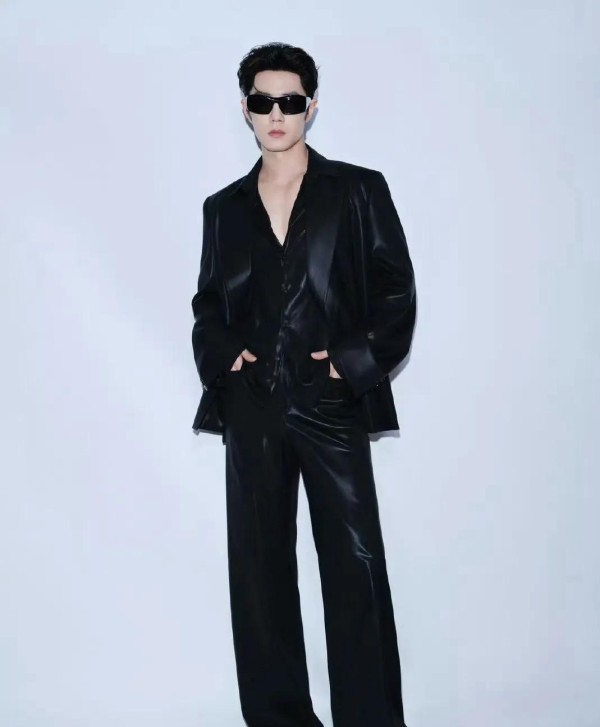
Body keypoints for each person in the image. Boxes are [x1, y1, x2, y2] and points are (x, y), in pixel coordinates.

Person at [191, 41, 416, 727]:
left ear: (311, 107)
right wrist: (226, 355)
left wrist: (349, 360)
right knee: (259, 573)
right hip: (252, 405)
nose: (277, 114)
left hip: (330, 402)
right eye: (263, 101)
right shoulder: (224, 209)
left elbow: (396, 291)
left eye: (290, 101)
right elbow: (207, 304)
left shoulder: (357, 190)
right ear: (246, 108)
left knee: (356, 564)